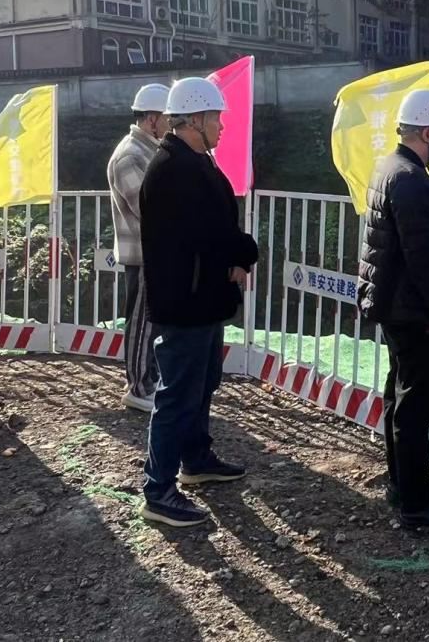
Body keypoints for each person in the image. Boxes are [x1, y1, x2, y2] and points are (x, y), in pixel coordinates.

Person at [138, 76, 259, 527]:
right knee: (178, 393)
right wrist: (242, 253)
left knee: (202, 383)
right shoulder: (174, 169)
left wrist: (236, 256)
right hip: (185, 301)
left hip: (200, 298)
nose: (222, 126)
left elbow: (215, 228)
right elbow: (208, 234)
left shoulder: (191, 161)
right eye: (216, 118)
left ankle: (196, 458)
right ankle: (158, 489)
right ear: (194, 119)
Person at [357, 88, 429, 531]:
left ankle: (403, 484)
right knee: (415, 407)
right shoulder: (412, 181)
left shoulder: (390, 168)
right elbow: (422, 258)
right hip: (414, 311)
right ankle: (416, 504)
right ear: (427, 133)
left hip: (395, 305)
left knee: (399, 396)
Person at [107, 83, 170, 413]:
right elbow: (150, 210)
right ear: (152, 118)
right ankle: (138, 386)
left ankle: (148, 380)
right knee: (142, 324)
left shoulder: (148, 149)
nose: (172, 125)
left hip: (154, 253)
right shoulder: (130, 155)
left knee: (151, 322)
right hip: (144, 255)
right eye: (169, 119)